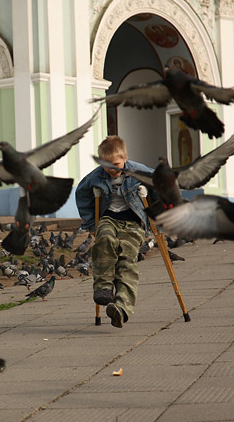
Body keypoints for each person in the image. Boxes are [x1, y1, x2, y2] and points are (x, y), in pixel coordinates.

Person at [75, 136, 154, 328]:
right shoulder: (95, 177)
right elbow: (81, 194)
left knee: (127, 260)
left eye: (116, 164)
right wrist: (90, 225)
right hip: (108, 218)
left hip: (133, 222)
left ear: (125, 158)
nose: (112, 168)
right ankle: (103, 288)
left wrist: (153, 202)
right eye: (107, 164)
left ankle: (121, 308)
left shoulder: (140, 171)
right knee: (104, 241)